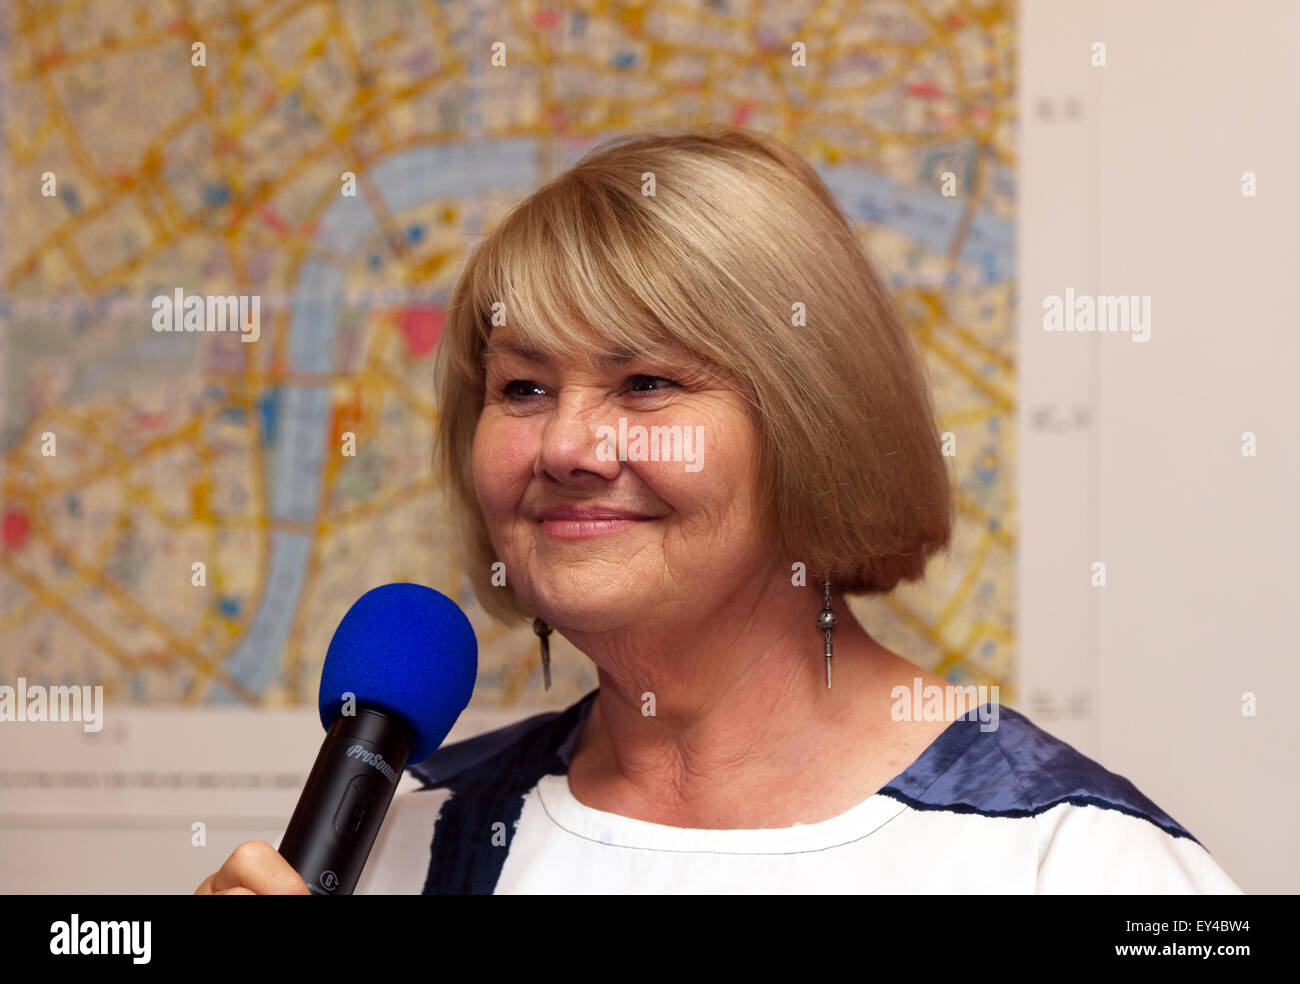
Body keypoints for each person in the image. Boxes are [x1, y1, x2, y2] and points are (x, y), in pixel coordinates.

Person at [197, 126, 1239, 895]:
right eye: (523, 387)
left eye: (647, 382)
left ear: (813, 422)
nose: (564, 446)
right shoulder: (416, 837)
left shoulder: (1069, 860)